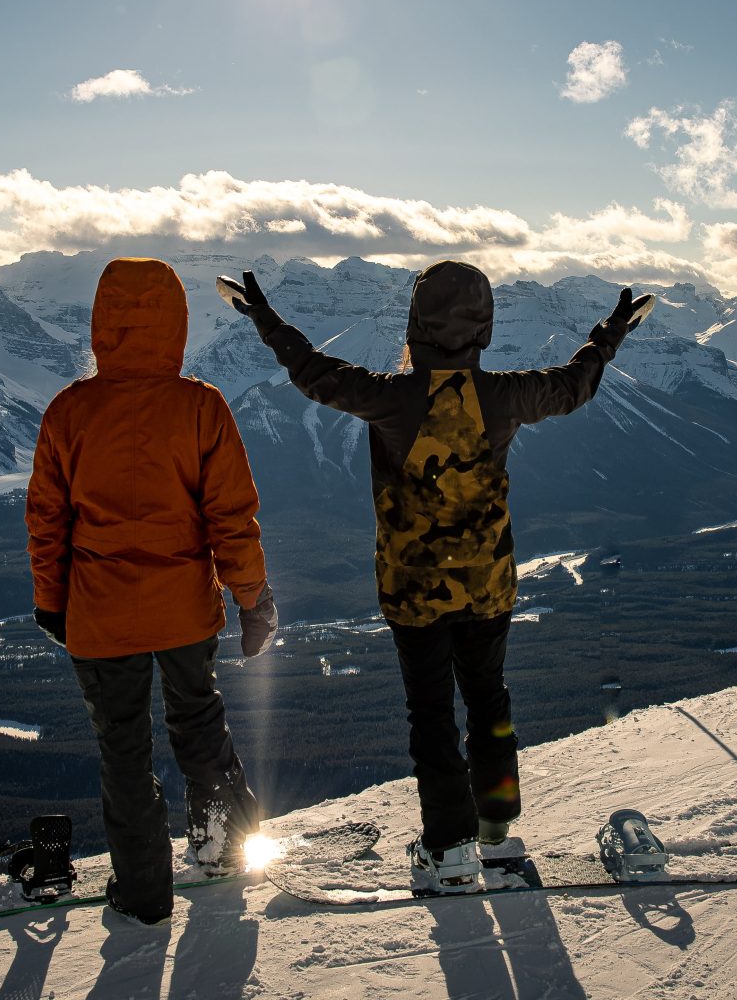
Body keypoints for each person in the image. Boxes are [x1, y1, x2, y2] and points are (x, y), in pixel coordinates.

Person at [223, 260, 647, 893]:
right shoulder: (503, 396)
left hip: (413, 592)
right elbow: (573, 384)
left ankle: (447, 848)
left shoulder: (392, 397)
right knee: (490, 702)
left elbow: (312, 372)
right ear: (484, 325)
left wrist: (260, 314)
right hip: (488, 587)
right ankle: (497, 832)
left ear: (417, 324)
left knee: (431, 714)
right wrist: (612, 329)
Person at [27, 257, 279, 925]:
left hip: (100, 615)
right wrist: (252, 601)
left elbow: (47, 522)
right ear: (176, 322)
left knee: (123, 750)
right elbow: (232, 517)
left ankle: (142, 894)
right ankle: (223, 847)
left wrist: (52, 601)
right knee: (199, 724)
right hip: (185, 611)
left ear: (102, 323)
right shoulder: (200, 407)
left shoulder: (69, 412)